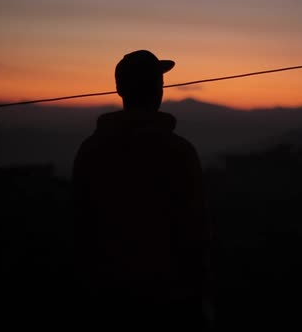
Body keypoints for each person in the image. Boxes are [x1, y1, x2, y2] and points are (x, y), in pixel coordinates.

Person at [72, 50, 211, 329]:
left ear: (120, 90)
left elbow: (79, 223)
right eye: (158, 83)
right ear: (158, 92)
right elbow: (196, 229)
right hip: (169, 299)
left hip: (106, 295)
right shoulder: (178, 151)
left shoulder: (92, 149)